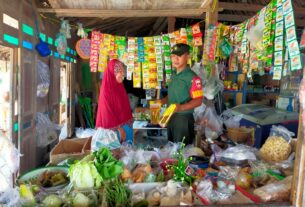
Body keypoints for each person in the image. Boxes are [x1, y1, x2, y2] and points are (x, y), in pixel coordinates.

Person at [162, 43, 203, 145]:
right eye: (173, 56)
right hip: (170, 116)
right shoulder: (173, 74)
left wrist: (180, 107)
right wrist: (161, 101)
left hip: (183, 120)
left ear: (188, 56)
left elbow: (198, 101)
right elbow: (173, 95)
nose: (175, 59)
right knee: (172, 149)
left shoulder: (192, 78)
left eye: (179, 56)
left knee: (182, 153)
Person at [96, 59, 133, 144]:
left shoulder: (120, 86)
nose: (123, 74)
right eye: (120, 71)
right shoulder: (106, 90)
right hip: (113, 130)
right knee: (116, 153)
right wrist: (119, 128)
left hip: (125, 127)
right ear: (113, 72)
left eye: (123, 71)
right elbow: (107, 112)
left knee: (127, 154)